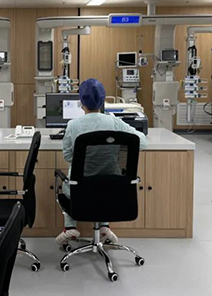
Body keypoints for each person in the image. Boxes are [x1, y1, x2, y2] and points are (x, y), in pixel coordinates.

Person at [55, 78, 148, 246]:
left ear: (81, 102)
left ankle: (70, 227)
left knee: (70, 182)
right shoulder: (114, 122)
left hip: (82, 189)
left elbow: (68, 157)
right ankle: (104, 226)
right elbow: (142, 142)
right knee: (105, 182)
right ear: (103, 100)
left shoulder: (73, 125)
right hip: (114, 187)